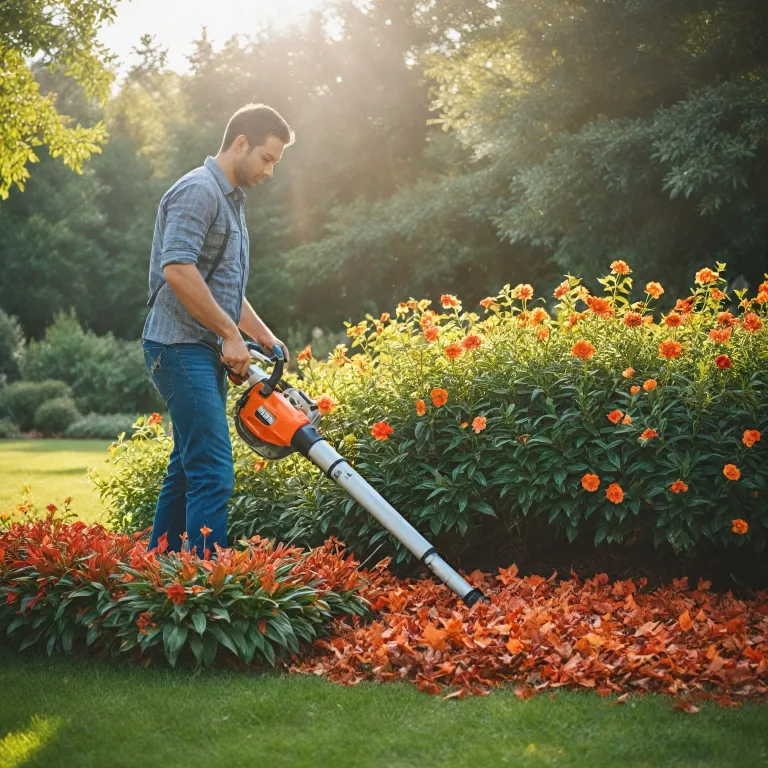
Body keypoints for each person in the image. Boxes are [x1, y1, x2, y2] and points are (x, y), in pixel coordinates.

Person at [141, 103, 293, 556]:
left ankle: (159, 570)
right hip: (178, 346)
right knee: (212, 469)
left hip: (200, 350)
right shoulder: (199, 191)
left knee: (187, 470)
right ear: (241, 143)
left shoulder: (231, 200)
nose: (269, 172)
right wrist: (230, 334)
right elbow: (179, 269)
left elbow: (222, 289)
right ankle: (205, 592)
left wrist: (262, 336)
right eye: (267, 159)